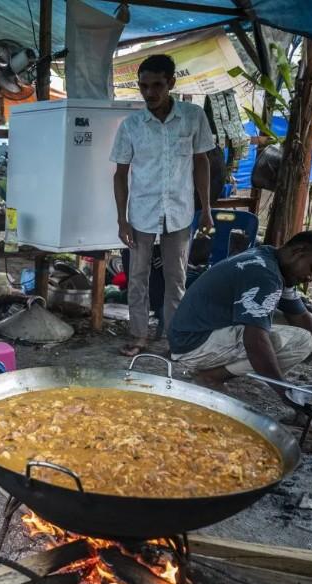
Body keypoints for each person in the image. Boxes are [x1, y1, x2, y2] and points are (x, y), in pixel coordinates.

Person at [111, 54, 214, 357]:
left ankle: (174, 339)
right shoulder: (131, 125)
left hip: (180, 212)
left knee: (176, 278)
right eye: (143, 86)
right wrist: (121, 219)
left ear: (171, 83)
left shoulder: (193, 116)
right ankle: (138, 336)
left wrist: (206, 207)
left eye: (157, 85)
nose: (150, 93)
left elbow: (201, 162)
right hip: (141, 212)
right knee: (137, 278)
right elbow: (120, 174)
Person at [169, 231, 312, 391]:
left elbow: (301, 318)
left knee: (294, 327)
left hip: (192, 335)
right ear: (298, 252)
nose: (310, 278)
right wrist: (285, 392)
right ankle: (212, 376)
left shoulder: (272, 259)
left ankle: (216, 372)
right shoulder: (265, 275)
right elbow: (255, 341)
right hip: (193, 344)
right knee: (300, 341)